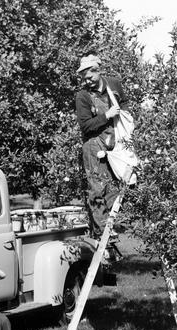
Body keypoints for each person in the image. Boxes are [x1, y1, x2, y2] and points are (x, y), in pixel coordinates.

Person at [75, 54, 130, 239]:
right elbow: (85, 126)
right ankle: (102, 231)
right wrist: (106, 115)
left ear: (98, 71)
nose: (87, 81)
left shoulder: (113, 84)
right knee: (97, 188)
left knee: (115, 186)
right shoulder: (83, 96)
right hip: (93, 144)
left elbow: (125, 104)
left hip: (114, 144)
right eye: (84, 79)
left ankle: (113, 226)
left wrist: (126, 117)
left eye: (90, 77)